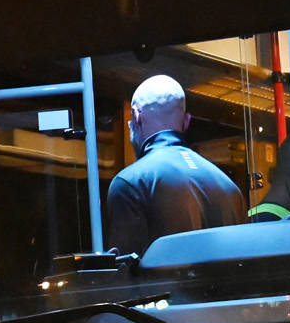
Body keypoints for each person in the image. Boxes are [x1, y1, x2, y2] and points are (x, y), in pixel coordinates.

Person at [104, 74, 246, 256]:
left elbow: (125, 277)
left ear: (137, 115)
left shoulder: (130, 184)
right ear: (186, 121)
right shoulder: (229, 187)